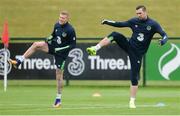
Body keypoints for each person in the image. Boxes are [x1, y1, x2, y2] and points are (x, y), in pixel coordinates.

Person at [86, 5, 168, 108]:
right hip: (129, 45)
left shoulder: (153, 24)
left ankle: (132, 101)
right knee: (115, 34)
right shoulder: (134, 21)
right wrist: (108, 22)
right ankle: (95, 48)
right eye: (137, 13)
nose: (138, 15)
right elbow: (120, 24)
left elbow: (164, 35)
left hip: (137, 54)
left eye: (140, 13)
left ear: (145, 12)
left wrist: (163, 41)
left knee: (134, 77)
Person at [9, 10, 76, 108]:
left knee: (58, 75)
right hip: (53, 47)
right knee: (36, 44)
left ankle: (58, 100)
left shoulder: (70, 30)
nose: (61, 19)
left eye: (63, 18)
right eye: (60, 17)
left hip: (61, 54)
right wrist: (48, 38)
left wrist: (60, 49)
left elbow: (73, 45)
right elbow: (53, 35)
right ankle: (19, 61)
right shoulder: (57, 25)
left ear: (67, 19)